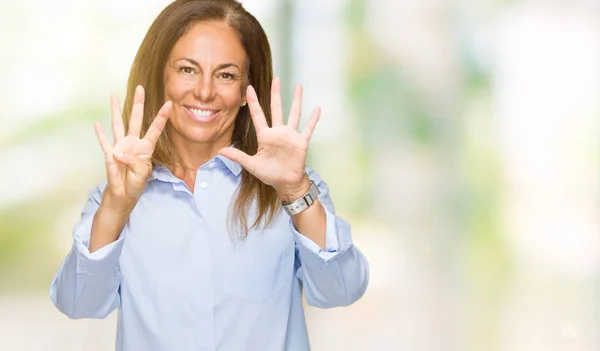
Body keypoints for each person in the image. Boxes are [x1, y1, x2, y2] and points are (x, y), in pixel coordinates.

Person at [49, 0, 369, 350]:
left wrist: (295, 192)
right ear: (160, 75)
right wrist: (115, 207)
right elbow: (78, 304)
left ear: (247, 90)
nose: (204, 91)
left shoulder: (292, 190)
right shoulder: (115, 197)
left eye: (226, 75)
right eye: (187, 69)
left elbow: (342, 290)